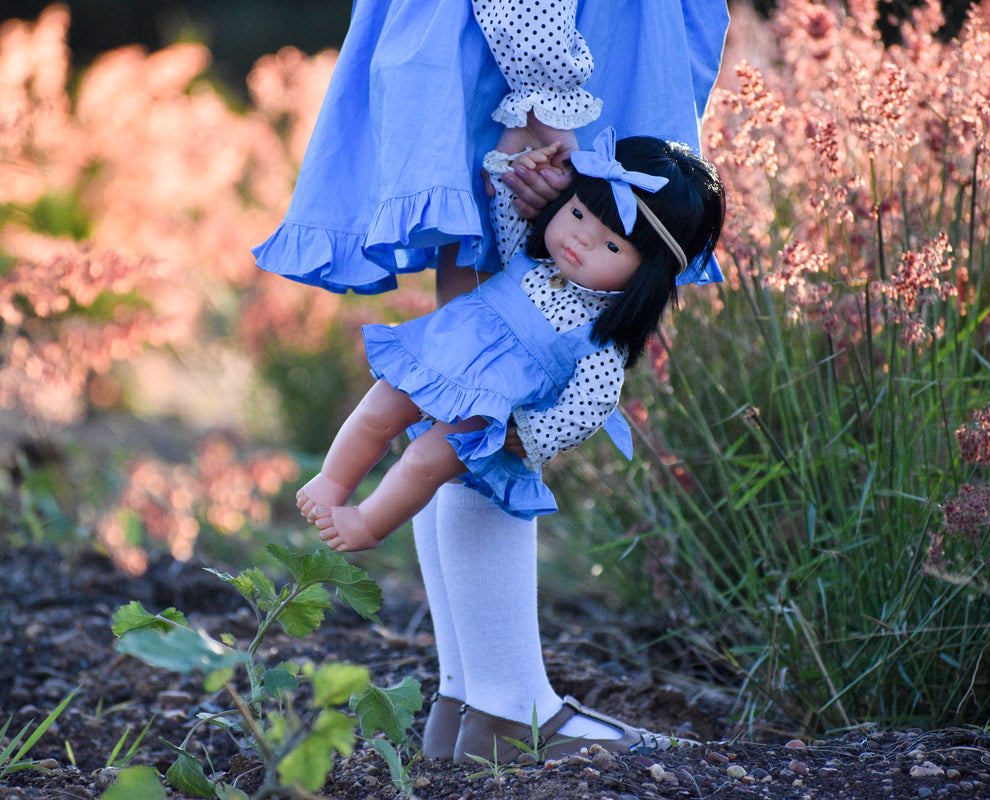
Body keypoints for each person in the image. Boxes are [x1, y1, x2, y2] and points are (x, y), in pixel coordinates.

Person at [253, 0, 729, 763]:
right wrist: (543, 97)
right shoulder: (546, 112)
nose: (584, 240)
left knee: (467, 422)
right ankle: (510, 708)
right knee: (476, 422)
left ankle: (471, 694)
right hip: (536, 53)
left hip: (525, 50)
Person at [297, 129, 725, 559]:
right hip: (447, 346)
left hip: (496, 400)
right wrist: (518, 167)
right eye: (577, 215)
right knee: (378, 409)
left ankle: (370, 523)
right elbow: (506, 207)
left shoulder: (599, 339)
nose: (580, 240)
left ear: (647, 277)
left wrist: (537, 434)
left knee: (426, 460)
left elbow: (592, 403)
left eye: (612, 245)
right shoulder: (530, 256)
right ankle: (332, 481)